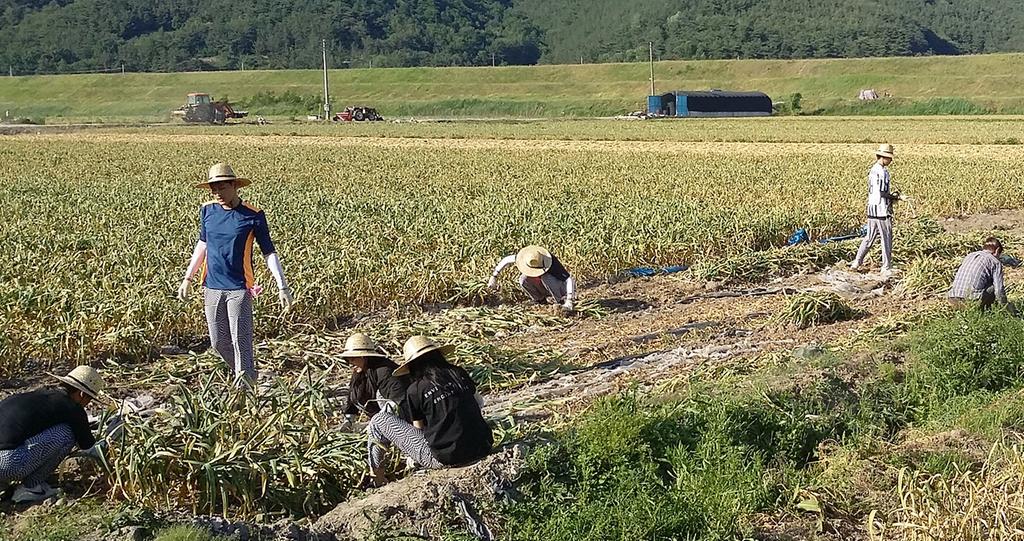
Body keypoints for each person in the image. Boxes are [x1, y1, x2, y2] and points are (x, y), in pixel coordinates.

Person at [177, 163, 294, 386]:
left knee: (241, 342)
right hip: (211, 287)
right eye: (214, 189)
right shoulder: (208, 211)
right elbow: (203, 244)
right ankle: (248, 376)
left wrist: (282, 286)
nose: (218, 193)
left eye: (222, 187)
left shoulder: (253, 215)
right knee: (218, 342)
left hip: (239, 289)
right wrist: (187, 278)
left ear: (234, 186)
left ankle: (245, 388)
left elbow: (269, 252)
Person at [364, 336, 492, 487]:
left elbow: (419, 429)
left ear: (411, 366)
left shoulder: (416, 389)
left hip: (448, 458)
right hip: (483, 446)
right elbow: (479, 403)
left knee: (379, 420)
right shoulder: (458, 373)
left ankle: (377, 479)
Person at [0, 366, 105, 504]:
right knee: (67, 433)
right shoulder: (73, 408)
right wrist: (109, 442)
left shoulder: (34, 397)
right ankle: (31, 488)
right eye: (89, 399)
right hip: (7, 465)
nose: (87, 404)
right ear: (81, 394)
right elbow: (90, 449)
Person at [851, 144, 903, 275]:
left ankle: (856, 262)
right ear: (884, 157)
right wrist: (897, 197)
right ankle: (886, 267)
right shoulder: (882, 172)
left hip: (872, 208)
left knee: (869, 237)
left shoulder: (872, 170)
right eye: (889, 158)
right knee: (886, 238)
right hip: (881, 209)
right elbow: (882, 192)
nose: (890, 161)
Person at [340, 333, 407, 427]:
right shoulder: (359, 372)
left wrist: (377, 424)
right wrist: (348, 421)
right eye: (347, 360)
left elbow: (397, 401)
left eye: (352, 359)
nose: (350, 363)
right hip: (379, 419)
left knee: (380, 395)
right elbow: (352, 398)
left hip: (399, 420)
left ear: (363, 357)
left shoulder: (384, 371)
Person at [487, 245, 576, 310]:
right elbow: (506, 260)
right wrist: (494, 276)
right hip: (544, 287)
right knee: (523, 279)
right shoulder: (526, 258)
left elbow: (569, 279)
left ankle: (560, 302)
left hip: (560, 288)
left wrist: (569, 299)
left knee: (546, 278)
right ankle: (540, 301)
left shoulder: (552, 263)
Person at [949, 237, 1016, 313]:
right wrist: (1008, 308)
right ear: (997, 250)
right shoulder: (995, 262)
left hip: (952, 299)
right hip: (971, 301)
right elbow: (999, 291)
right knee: (993, 287)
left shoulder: (970, 256)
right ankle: (984, 312)